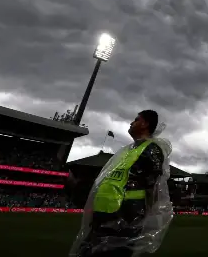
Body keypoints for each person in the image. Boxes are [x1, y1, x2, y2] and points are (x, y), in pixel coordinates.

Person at [70, 110, 173, 257]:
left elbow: (153, 187)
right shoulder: (127, 150)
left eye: (136, 120)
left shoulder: (151, 150)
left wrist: (140, 219)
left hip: (125, 216)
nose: (132, 123)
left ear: (145, 124)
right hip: (103, 214)